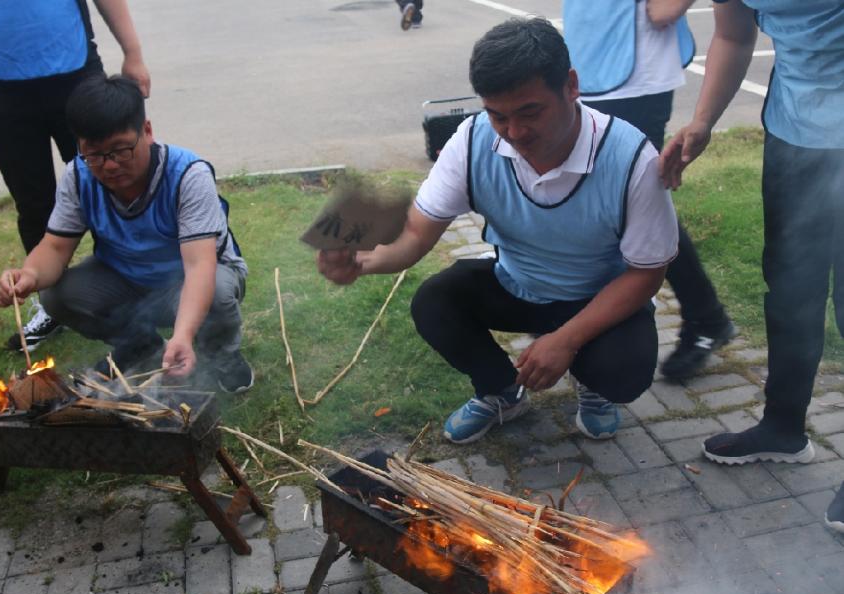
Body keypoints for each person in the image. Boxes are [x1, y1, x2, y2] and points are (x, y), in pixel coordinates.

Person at [318, 18, 678, 444]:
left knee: (624, 373)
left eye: (530, 112)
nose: (515, 133)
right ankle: (502, 392)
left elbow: (646, 274)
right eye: (497, 116)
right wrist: (363, 261)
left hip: (597, 295)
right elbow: (416, 233)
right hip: (518, 286)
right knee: (434, 302)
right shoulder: (471, 142)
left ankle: (593, 385)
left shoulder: (631, 158)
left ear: (571, 86)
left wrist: (564, 341)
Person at [660, 0, 844, 532]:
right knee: (790, 290)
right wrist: (702, 122)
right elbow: (735, 36)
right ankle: (783, 427)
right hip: (794, 134)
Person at [0, 75, 254, 393]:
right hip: (125, 279)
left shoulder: (188, 175)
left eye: (120, 150)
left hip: (187, 279)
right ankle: (139, 344)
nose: (110, 165)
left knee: (215, 289)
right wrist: (29, 275)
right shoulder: (78, 175)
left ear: (147, 131)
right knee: (56, 295)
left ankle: (221, 356)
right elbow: (56, 247)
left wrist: (183, 335)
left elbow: (200, 265)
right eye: (95, 154)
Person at [0, 0, 150, 353]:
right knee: (34, 201)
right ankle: (52, 302)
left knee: (114, 183)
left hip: (75, 73)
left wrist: (133, 52)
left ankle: (145, 287)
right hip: (0, 89)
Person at [563, 0, 735, 383]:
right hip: (593, 70)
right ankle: (700, 317)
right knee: (616, 207)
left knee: (637, 208)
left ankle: (705, 318)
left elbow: (663, 11)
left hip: (632, 82)